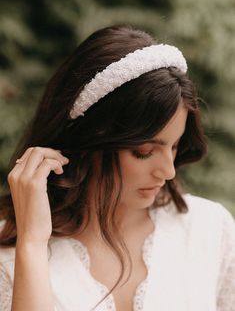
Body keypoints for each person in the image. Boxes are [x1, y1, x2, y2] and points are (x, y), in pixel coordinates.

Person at [0, 25, 234, 311]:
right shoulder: (11, 253)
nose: (168, 171)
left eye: (174, 146)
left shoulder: (209, 228)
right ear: (91, 139)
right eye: (144, 152)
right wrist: (33, 245)